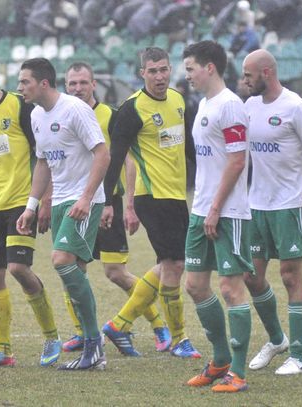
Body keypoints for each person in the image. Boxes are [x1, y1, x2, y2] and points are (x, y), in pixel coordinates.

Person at [61, 61, 172, 354]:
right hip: (73, 203)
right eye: (72, 83)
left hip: (105, 203)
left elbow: (128, 160)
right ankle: (83, 333)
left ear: (94, 84)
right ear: (65, 86)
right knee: (71, 269)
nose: (77, 88)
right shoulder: (59, 116)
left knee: (115, 272)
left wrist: (127, 204)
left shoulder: (110, 115)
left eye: (83, 83)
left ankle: (158, 325)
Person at [100, 47, 200, 358]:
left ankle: (119, 324)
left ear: (171, 70)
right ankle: (179, 339)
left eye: (163, 70)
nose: (159, 76)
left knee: (169, 263)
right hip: (152, 195)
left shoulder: (178, 100)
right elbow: (115, 157)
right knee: (175, 265)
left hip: (176, 195)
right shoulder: (131, 110)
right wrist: (109, 202)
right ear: (142, 73)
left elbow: (189, 147)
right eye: (152, 71)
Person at [0, 53, 61, 368]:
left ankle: (51, 337)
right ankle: (3, 350)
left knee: (18, 269)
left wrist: (45, 199)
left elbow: (44, 156)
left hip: (22, 202)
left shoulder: (21, 108)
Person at [16, 57, 109, 370]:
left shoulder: (75, 110)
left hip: (83, 200)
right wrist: (32, 206)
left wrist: (86, 198)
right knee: (75, 273)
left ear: (43, 83)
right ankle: (92, 348)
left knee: (61, 260)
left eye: (25, 82)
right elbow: (43, 163)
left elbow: (102, 154)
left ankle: (94, 342)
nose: (20, 88)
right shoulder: (36, 115)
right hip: (59, 201)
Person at [242, 49, 302, 375]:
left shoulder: (296, 107)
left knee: (290, 276)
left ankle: (298, 357)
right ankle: (277, 340)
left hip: (290, 204)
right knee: (251, 277)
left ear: (266, 72)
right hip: (256, 206)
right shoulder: (249, 107)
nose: (245, 81)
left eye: (248, 75)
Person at [182, 40, 253, 392]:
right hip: (201, 210)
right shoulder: (203, 105)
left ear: (209, 67)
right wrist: (204, 207)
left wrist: (215, 208)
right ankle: (220, 359)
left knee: (230, 288)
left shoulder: (230, 105)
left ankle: (237, 373)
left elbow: (237, 161)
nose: (187, 75)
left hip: (228, 213)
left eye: (190, 68)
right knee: (195, 285)